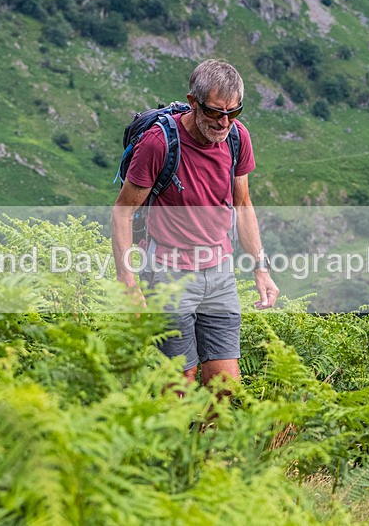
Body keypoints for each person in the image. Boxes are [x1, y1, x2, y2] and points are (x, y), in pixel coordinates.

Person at [112, 59, 279, 387]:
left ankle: (210, 439)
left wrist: (261, 269)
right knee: (180, 385)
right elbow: (123, 211)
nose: (225, 122)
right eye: (216, 112)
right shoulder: (159, 143)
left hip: (219, 274)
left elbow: (243, 205)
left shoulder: (237, 139)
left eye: (234, 112)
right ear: (193, 102)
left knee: (225, 387)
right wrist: (128, 283)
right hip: (167, 273)